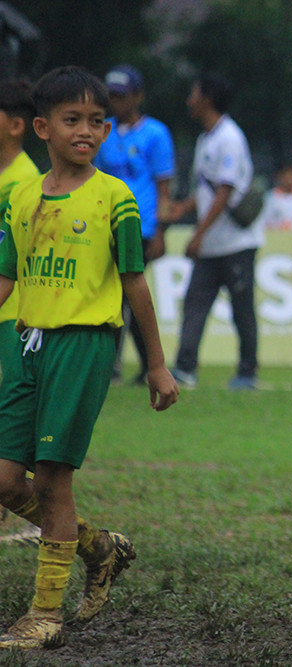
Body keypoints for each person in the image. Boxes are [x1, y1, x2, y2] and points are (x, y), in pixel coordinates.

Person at [0, 65, 179, 650]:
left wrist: (156, 364)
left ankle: (44, 614)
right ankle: (98, 547)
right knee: (6, 481)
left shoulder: (116, 198)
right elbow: (7, 277)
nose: (87, 131)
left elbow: (135, 284)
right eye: (72, 119)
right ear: (42, 128)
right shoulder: (21, 197)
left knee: (53, 480)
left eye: (97, 121)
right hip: (27, 343)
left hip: (82, 346)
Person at [169, 71, 261, 390]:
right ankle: (185, 368)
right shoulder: (206, 138)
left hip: (236, 242)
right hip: (212, 243)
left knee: (241, 310)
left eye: (194, 94)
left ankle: (247, 372)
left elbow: (225, 191)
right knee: (195, 303)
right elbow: (207, 189)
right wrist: (184, 207)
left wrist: (198, 234)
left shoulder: (229, 138)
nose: (189, 101)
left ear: (207, 99)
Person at [94, 64, 177, 386]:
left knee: (125, 295)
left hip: (141, 226)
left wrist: (161, 231)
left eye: (122, 95)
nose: (116, 101)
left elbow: (164, 186)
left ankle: (117, 366)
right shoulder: (104, 130)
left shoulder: (155, 133)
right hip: (107, 224)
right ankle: (144, 365)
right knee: (118, 296)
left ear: (138, 96)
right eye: (112, 95)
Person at [0, 77, 41, 548]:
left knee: (16, 415)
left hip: (14, 316)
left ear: (15, 125)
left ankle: (45, 521)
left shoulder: (24, 183)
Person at [256, 161, 292, 232]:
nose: (290, 179)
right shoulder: (270, 198)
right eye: (287, 175)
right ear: (280, 176)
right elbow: (264, 220)